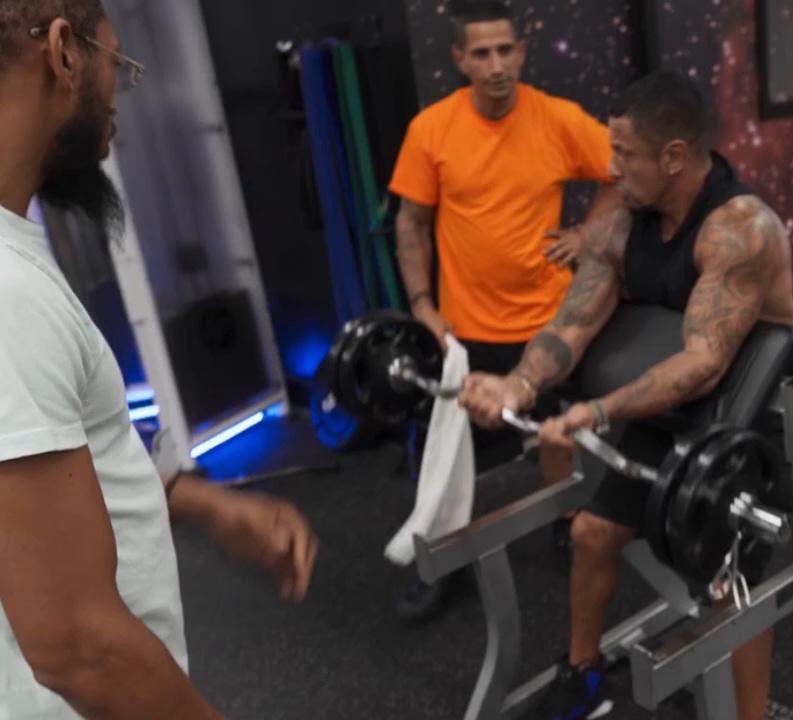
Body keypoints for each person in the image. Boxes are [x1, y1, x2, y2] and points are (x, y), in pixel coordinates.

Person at [0, 2, 319, 717]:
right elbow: (76, 645)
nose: (119, 95)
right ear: (63, 52)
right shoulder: (6, 291)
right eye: (119, 64)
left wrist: (198, 502)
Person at [460, 71, 793, 720]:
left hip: (747, 414)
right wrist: (519, 383)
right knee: (592, 532)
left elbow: (704, 364)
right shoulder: (620, 221)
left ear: (673, 157)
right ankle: (582, 671)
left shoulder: (741, 229)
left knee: (730, 579)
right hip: (671, 402)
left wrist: (596, 412)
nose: (611, 169)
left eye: (624, 154)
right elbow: (573, 323)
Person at [388, 0, 619, 623]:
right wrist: (422, 305)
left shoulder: (558, 119)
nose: (496, 66)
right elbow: (411, 223)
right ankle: (441, 560)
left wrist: (588, 234)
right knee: (448, 459)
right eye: (481, 53)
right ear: (460, 59)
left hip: (549, 325)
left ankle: (565, 522)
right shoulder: (431, 130)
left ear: (522, 52)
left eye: (505, 51)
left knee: (559, 435)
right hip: (466, 331)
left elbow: (622, 174)